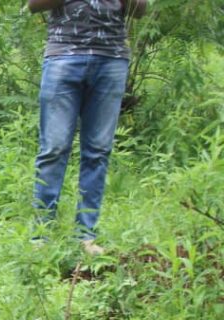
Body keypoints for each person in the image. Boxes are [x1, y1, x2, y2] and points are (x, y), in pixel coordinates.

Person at [29, 0, 147, 255]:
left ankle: (86, 236)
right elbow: (33, 4)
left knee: (98, 152)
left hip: (111, 58)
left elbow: (140, 9)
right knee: (54, 149)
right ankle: (41, 236)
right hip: (63, 56)